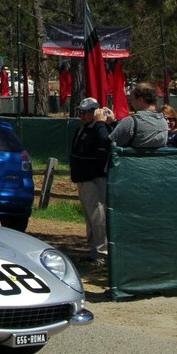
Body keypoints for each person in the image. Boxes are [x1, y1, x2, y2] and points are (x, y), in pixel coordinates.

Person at [69, 96, 112, 261]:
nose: (82, 115)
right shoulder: (81, 129)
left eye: (86, 112)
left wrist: (103, 123)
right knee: (89, 216)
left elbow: (105, 148)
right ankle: (93, 250)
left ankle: (102, 252)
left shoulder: (100, 129)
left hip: (95, 178)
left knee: (98, 216)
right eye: (81, 112)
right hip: (82, 178)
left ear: (95, 112)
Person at [109, 82, 168, 149]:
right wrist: (113, 122)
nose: (131, 103)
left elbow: (109, 143)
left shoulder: (132, 122)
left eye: (132, 99)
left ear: (140, 100)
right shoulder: (164, 122)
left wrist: (100, 123)